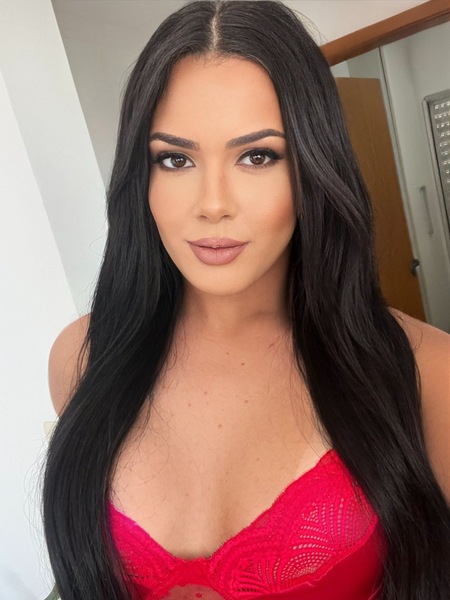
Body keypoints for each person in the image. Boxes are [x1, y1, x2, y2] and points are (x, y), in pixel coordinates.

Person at [43, 1, 450, 599]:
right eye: (175, 159)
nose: (213, 204)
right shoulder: (82, 357)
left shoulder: (427, 373)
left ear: (314, 166)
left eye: (257, 156)